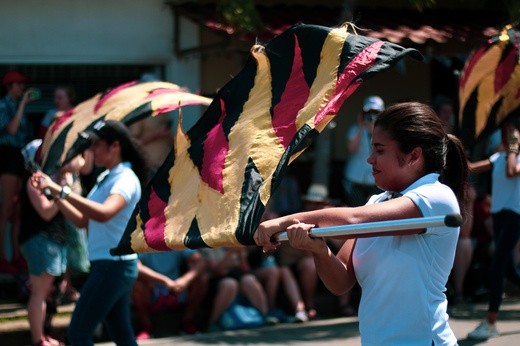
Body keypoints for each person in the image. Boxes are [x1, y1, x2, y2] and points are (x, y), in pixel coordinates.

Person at [254, 102, 469, 345]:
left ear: (414, 156)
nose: (369, 159)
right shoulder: (376, 201)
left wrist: (282, 221)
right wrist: (319, 250)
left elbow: (354, 218)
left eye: (379, 150)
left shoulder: (435, 197)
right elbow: (341, 282)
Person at [30, 120, 148, 345]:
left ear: (115, 146)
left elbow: (104, 213)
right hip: (111, 266)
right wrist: (54, 194)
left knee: (78, 333)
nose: (91, 150)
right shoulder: (107, 177)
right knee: (122, 335)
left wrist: (59, 190)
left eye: (96, 144)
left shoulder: (125, 178)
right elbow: (83, 221)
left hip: (113, 266)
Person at [20, 144, 86, 346]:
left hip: (56, 240)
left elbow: (81, 162)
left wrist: (61, 186)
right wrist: (62, 190)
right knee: (40, 292)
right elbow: (46, 212)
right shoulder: (34, 180)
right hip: (40, 239)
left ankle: (45, 335)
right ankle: (38, 339)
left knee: (52, 292)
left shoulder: (53, 179)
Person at [467, 117, 520, 340]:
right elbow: (471, 167)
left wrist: (514, 148)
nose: (507, 136)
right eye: (505, 132)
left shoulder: (513, 157)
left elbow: (511, 171)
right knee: (508, 271)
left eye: (512, 132)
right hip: (498, 217)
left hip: (514, 217)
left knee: (497, 266)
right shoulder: (498, 157)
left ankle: (490, 322)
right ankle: (490, 320)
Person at [0, 69, 37, 274]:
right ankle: (2, 257)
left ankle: (16, 254)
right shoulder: (4, 105)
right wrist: (22, 104)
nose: (22, 88)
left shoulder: (16, 106)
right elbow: (11, 129)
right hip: (6, 155)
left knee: (16, 211)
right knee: (6, 209)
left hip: (19, 156)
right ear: (10, 86)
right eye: (19, 84)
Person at [132, 250, 207, 339]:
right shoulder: (144, 241)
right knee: (137, 285)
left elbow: (201, 261)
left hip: (177, 288)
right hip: (153, 290)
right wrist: (164, 280)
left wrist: (184, 280)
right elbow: (135, 266)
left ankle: (188, 322)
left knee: (202, 279)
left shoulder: (176, 239)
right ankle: (146, 326)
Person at [342, 95, 384, 207]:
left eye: (376, 112)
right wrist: (361, 126)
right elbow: (352, 148)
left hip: (376, 180)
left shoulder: (385, 132)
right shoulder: (355, 129)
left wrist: (375, 129)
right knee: (356, 209)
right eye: (369, 112)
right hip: (355, 179)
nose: (372, 116)